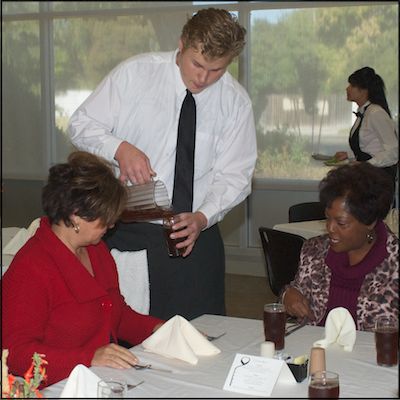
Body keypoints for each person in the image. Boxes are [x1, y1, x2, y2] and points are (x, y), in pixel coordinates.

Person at [68, 8, 257, 321]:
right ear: (182, 44)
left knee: (197, 336)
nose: (202, 78)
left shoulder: (235, 102)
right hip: (128, 231)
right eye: (197, 64)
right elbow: (80, 124)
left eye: (216, 70)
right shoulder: (135, 74)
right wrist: (119, 148)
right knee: (123, 331)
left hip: (195, 235)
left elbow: (235, 176)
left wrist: (203, 217)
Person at [2, 151, 164, 387]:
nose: (110, 225)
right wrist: (88, 358)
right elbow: (16, 354)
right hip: (55, 387)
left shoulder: (96, 251)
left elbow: (116, 315)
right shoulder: (32, 267)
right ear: (76, 215)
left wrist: (159, 329)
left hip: (98, 378)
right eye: (104, 218)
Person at [281, 163, 398, 331]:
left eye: (341, 223)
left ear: (370, 221)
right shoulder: (314, 250)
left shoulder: (394, 263)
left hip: (371, 355)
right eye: (327, 218)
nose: (330, 228)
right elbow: (295, 290)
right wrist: (288, 296)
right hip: (314, 349)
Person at [334, 66, 398, 190]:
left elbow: (393, 152)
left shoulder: (375, 113)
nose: (347, 88)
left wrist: (365, 166)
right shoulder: (364, 112)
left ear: (364, 90)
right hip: (367, 177)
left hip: (378, 180)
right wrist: (349, 156)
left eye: (352, 85)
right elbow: (371, 148)